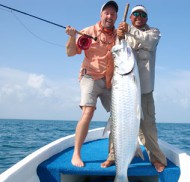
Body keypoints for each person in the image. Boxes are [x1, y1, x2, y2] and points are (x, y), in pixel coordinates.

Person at [101, 5, 167, 172]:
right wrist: (120, 37)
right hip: (124, 90)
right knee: (116, 122)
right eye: (135, 14)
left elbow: (149, 42)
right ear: (130, 17)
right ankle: (112, 156)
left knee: (149, 126)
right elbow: (116, 53)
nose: (139, 16)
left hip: (144, 91)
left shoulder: (153, 32)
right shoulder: (123, 36)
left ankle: (156, 158)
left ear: (146, 18)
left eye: (142, 14)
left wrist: (129, 30)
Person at [65, 1, 118, 167]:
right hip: (90, 77)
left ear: (116, 17)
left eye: (112, 14)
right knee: (88, 112)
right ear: (101, 15)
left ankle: (114, 154)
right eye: (106, 13)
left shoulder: (119, 35)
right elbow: (70, 53)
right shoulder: (87, 31)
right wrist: (72, 36)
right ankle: (76, 154)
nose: (109, 16)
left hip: (109, 79)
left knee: (118, 115)